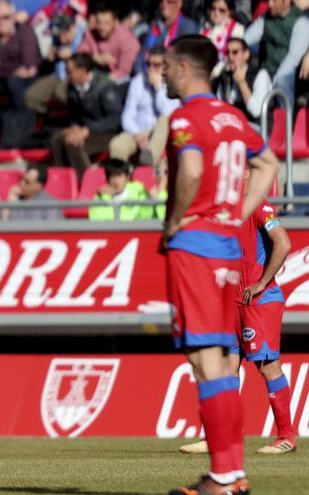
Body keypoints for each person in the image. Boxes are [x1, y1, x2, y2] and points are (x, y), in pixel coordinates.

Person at [161, 34, 279, 495]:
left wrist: (175, 222)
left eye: (168, 65)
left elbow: (190, 170)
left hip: (195, 245)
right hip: (228, 249)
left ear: (186, 67)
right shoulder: (235, 118)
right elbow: (268, 164)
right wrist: (236, 215)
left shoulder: (186, 117)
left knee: (207, 360)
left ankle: (225, 477)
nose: (163, 72)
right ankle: (232, 474)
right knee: (223, 359)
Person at [180, 199, 296, 457]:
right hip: (230, 301)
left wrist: (262, 283)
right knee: (224, 368)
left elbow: (284, 243)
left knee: (267, 366)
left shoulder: (259, 206)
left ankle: (286, 436)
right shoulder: (222, 210)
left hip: (259, 301)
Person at [50, 53, 122, 178]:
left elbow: (114, 119)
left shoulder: (104, 86)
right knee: (58, 138)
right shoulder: (72, 88)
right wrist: (75, 128)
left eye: (69, 71)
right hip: (85, 129)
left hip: (107, 133)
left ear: (82, 71)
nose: (66, 74)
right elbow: (75, 115)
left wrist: (88, 130)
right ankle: (62, 180)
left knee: (73, 142)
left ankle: (87, 182)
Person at [109, 47, 180, 167]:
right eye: (148, 64)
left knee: (165, 119)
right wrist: (137, 134)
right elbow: (127, 115)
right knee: (117, 145)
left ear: (166, 66)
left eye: (156, 65)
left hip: (160, 134)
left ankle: (149, 161)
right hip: (138, 131)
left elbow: (169, 113)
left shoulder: (173, 84)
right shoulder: (138, 82)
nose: (151, 69)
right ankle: (119, 179)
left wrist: (158, 88)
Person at [244, 0, 309, 102]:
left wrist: (276, 80)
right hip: (267, 70)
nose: (270, 4)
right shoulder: (267, 17)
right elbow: (247, 39)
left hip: (289, 77)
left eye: (274, 1)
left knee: (283, 81)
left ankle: (286, 115)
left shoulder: (301, 22)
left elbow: (293, 59)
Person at [213, 38, 272, 130]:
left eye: (235, 52)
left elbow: (256, 111)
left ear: (246, 54)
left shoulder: (260, 75)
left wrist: (241, 83)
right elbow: (219, 108)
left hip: (257, 129)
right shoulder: (224, 78)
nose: (230, 57)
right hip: (232, 127)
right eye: (227, 53)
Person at [77, 4, 140, 84]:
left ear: (115, 22)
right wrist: (95, 58)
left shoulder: (128, 41)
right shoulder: (91, 33)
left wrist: (100, 81)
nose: (101, 27)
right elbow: (80, 53)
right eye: (99, 22)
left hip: (117, 80)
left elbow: (124, 72)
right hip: (93, 74)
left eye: (106, 23)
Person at [88, 158, 156, 221]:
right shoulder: (101, 195)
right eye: (112, 176)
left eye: (119, 176)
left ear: (127, 177)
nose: (116, 181)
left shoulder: (139, 191)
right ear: (107, 179)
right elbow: (95, 217)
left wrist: (112, 216)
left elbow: (146, 215)